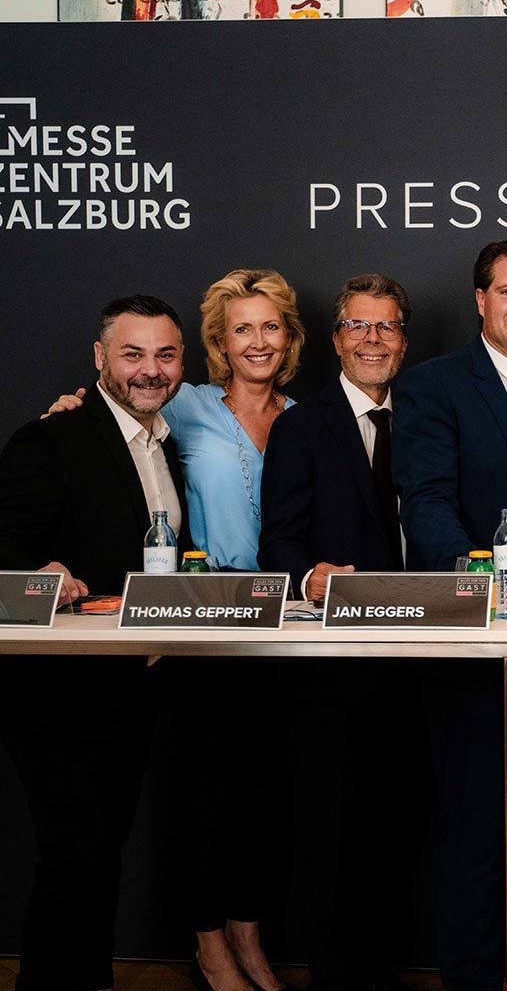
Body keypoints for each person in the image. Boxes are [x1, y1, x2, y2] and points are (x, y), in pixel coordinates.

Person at [44, 269, 304, 991]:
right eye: (241, 328)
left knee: (264, 797)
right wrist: (69, 413)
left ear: (290, 337)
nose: (257, 342)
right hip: (198, 627)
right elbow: (109, 435)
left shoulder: (305, 416)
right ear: (219, 342)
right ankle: (210, 949)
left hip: (284, 632)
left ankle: (250, 942)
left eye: (271, 327)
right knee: (204, 795)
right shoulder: (182, 406)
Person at [393, 234, 507, 991]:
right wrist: (484, 587)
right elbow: (427, 505)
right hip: (484, 643)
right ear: (480, 300)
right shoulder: (437, 385)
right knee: (475, 832)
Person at [0, 296, 190, 991]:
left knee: (99, 855)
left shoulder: (165, 442)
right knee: (75, 856)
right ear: (100, 358)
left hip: (132, 684)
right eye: (133, 354)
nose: (150, 370)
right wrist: (34, 574)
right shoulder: (52, 439)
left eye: (165, 355)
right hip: (57, 690)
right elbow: (7, 543)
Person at [258, 274, 414, 991]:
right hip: (328, 672)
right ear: (335, 340)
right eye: (358, 326)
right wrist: (311, 576)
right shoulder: (302, 426)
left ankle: (380, 973)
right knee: (327, 838)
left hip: (416, 668)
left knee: (392, 834)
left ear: (404, 340)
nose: (372, 340)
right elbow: (279, 546)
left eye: (385, 327)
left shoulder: (423, 416)